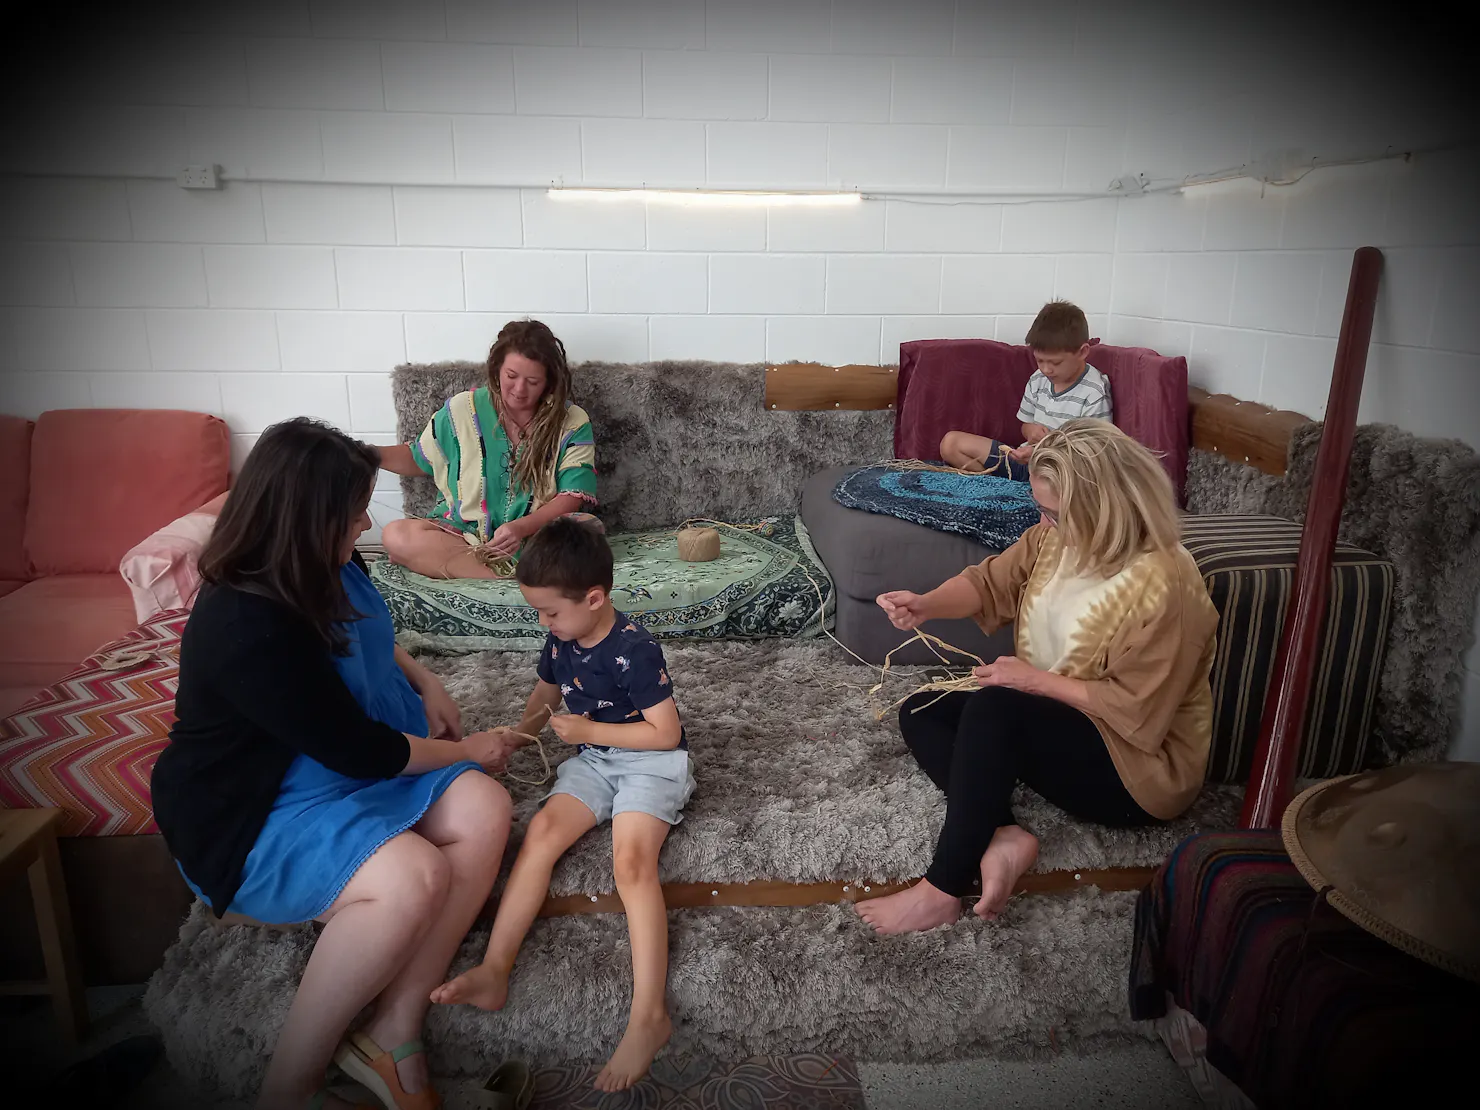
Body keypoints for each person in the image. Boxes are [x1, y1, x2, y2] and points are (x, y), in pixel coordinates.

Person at [151, 418, 518, 1110]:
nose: (364, 526)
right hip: (259, 808)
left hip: (340, 760)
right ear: (302, 517)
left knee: (485, 807)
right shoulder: (243, 623)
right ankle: (288, 1084)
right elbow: (364, 750)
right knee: (415, 875)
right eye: (353, 515)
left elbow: (365, 629)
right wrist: (467, 750)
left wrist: (425, 681)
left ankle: (395, 1027)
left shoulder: (327, 559)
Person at [858, 419, 1217, 936]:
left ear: (1105, 508)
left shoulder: (1168, 586)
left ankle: (941, 890)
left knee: (996, 708)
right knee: (924, 709)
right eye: (1041, 509)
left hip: (1137, 769)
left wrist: (1032, 681)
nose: (1042, 522)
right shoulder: (1056, 538)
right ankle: (1004, 834)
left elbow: (1137, 712)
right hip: (1064, 719)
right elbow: (990, 583)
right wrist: (926, 604)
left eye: (1053, 513)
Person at [431, 517, 693, 1094]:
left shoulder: (635, 650)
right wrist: (520, 735)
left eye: (550, 612)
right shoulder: (562, 638)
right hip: (595, 760)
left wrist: (588, 730)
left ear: (594, 599)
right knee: (541, 837)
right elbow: (546, 693)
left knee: (631, 865)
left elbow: (666, 734)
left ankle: (649, 1015)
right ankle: (495, 968)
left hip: (649, 761)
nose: (543, 623)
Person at [377, 319, 599, 580]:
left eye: (533, 381)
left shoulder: (572, 421)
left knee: (588, 530)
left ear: (549, 381)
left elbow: (572, 495)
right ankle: (506, 579)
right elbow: (420, 457)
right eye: (511, 376)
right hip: (464, 537)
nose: (519, 389)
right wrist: (367, 454)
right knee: (396, 535)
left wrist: (521, 528)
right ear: (496, 369)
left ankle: (457, 568)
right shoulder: (461, 409)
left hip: (538, 537)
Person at [939, 301, 1112, 480]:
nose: (1046, 369)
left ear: (1082, 352)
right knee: (950, 443)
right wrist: (1030, 432)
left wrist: (1046, 453)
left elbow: (1093, 455)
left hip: (1060, 472)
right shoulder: (1038, 378)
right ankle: (999, 486)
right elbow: (1026, 425)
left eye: (1056, 362)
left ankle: (1026, 488)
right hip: (1025, 460)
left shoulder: (1094, 392)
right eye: (1040, 361)